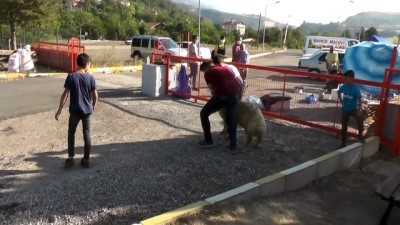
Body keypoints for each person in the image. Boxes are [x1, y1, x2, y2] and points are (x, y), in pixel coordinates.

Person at [55, 53, 98, 168]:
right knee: (87, 134)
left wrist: (59, 110)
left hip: (75, 110)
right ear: (87, 64)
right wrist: (93, 106)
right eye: (89, 64)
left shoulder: (71, 77)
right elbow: (95, 96)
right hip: (87, 111)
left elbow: (65, 94)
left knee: (71, 133)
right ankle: (86, 159)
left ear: (77, 63)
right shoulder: (91, 77)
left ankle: (71, 158)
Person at [198, 54, 242, 153]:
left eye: (203, 70)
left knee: (203, 114)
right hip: (234, 95)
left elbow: (212, 89)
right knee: (232, 119)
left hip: (222, 95)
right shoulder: (227, 68)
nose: (204, 72)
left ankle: (208, 140)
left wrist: (216, 94)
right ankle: (233, 146)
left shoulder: (209, 72)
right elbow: (239, 83)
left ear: (206, 67)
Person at [337, 70, 364, 148]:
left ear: (352, 78)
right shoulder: (344, 86)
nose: (345, 79)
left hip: (353, 109)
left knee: (360, 119)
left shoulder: (355, 88)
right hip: (345, 109)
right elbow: (339, 92)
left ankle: (360, 136)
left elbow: (360, 100)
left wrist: (359, 110)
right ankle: (343, 142)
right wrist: (341, 100)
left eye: (346, 78)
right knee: (344, 125)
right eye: (344, 78)